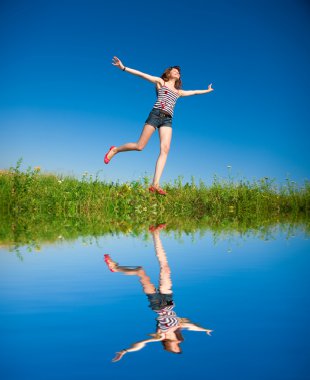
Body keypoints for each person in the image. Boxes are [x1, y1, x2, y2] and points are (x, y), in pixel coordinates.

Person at [104, 56, 214, 196]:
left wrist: (207, 90)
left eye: (178, 72)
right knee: (140, 146)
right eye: (174, 70)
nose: (177, 72)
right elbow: (142, 74)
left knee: (165, 149)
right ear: (168, 73)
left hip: (167, 120)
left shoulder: (178, 92)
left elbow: (194, 92)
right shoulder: (160, 82)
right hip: (155, 115)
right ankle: (115, 150)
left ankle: (155, 184)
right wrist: (123, 68)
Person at [104, 223, 213, 362]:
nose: (178, 343)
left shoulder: (161, 336)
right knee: (165, 268)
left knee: (140, 271)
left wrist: (125, 351)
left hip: (157, 305)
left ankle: (116, 268)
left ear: (168, 346)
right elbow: (193, 326)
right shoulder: (179, 327)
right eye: (179, 345)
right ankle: (155, 233)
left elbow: (142, 343)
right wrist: (205, 330)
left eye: (176, 346)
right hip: (168, 301)